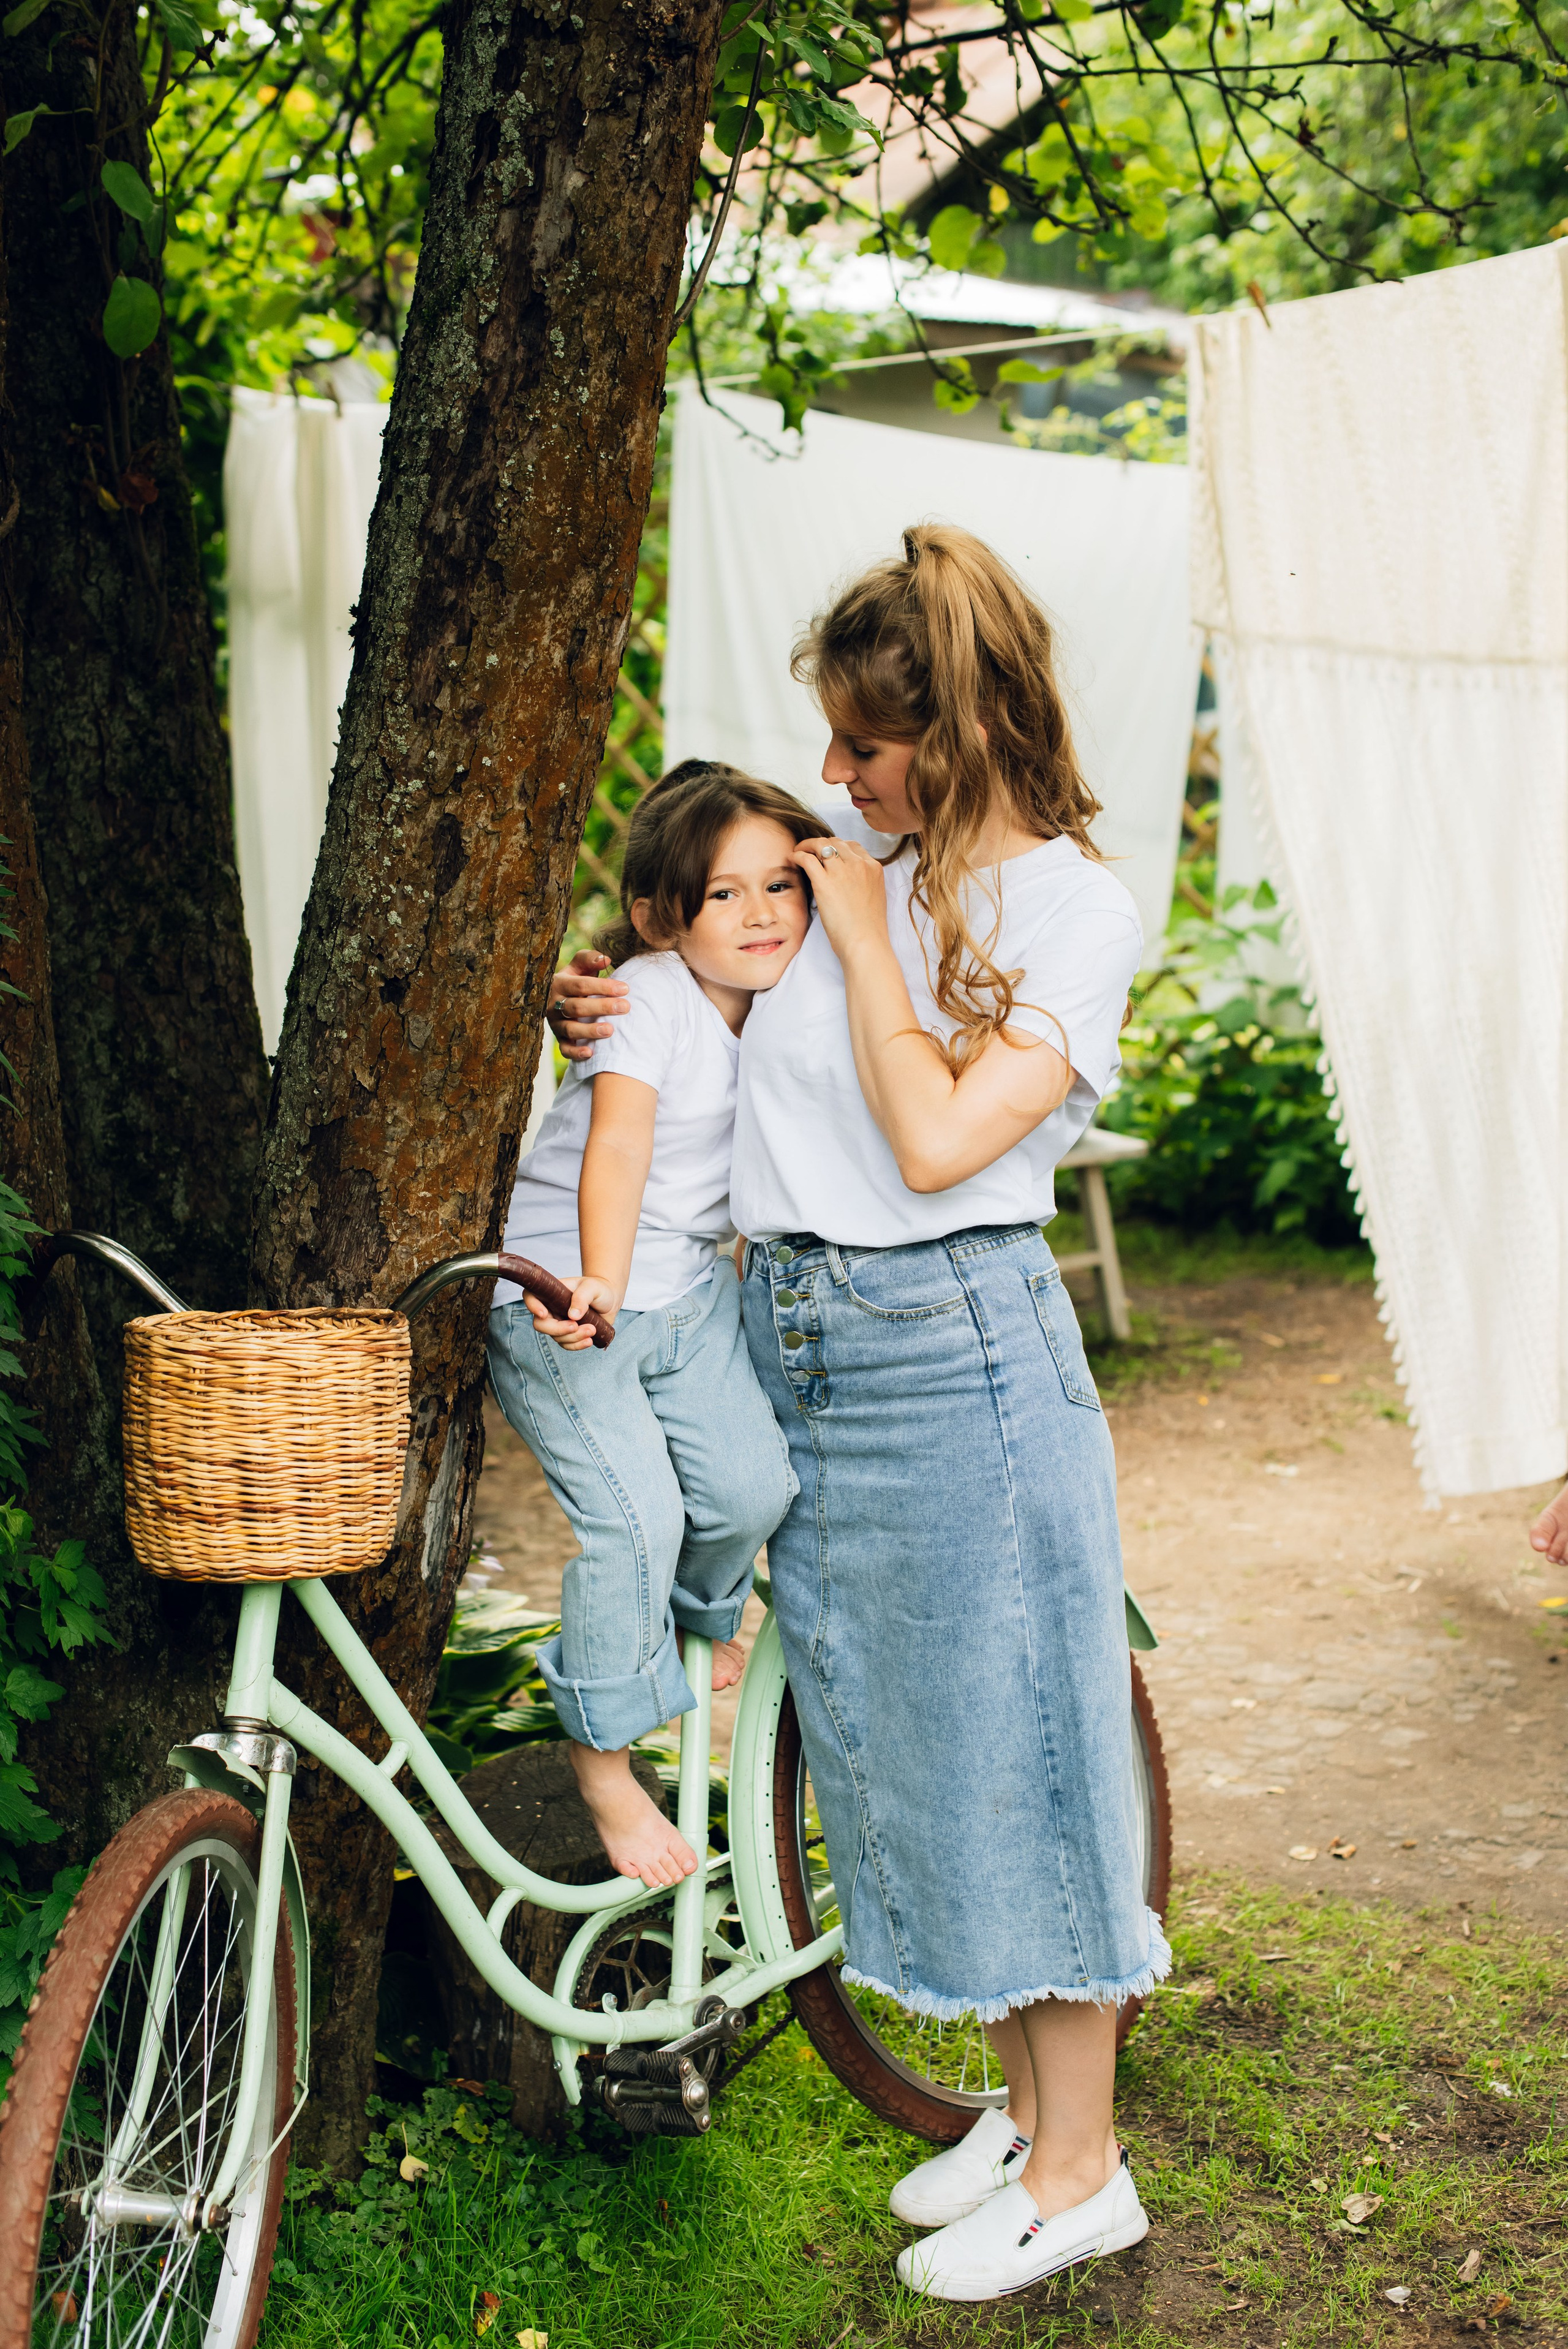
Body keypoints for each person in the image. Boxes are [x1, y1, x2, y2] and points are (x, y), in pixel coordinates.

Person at [549, 526, 1168, 2302]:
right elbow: (710, 1004)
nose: (832, 772)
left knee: (1024, 1748)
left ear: (957, 736)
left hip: (952, 1344)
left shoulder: (1074, 911)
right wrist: (603, 998)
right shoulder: (841, 862)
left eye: (867, 744)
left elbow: (940, 1139)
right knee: (907, 1752)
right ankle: (1027, 2110)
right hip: (800, 1333)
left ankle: (1084, 2169)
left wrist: (878, 947)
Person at [489, 762, 822, 1890]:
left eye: (779, 884)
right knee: (635, 1518)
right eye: (724, 894)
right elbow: (620, 1143)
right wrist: (598, 1277)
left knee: (753, 1490)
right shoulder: (648, 999)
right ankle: (604, 1758)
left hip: (684, 1293)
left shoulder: (789, 994)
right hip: (564, 1294)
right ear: (659, 917)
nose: (761, 913)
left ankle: (686, 1620)